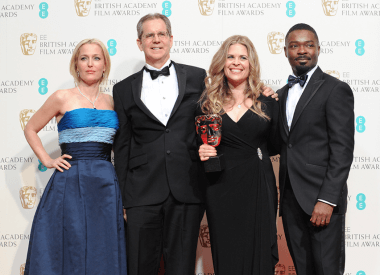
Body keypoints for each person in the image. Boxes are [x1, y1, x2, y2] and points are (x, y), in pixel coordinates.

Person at [112, 13, 207, 275]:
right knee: (140, 266)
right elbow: (122, 147)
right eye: (149, 35)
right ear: (139, 42)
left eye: (161, 34)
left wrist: (264, 92)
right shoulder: (122, 90)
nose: (156, 39)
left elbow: (217, 116)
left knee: (181, 267)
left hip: (187, 188)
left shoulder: (199, 78)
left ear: (171, 39)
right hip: (140, 192)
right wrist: (122, 197)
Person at [23, 38, 127, 275]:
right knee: (71, 245)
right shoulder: (62, 97)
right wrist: (47, 160)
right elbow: (30, 128)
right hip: (69, 181)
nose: (90, 64)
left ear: (104, 66)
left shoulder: (112, 101)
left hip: (106, 184)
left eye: (96, 58)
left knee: (103, 246)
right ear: (76, 65)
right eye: (84, 58)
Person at [198, 35, 279, 274]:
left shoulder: (268, 100)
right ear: (222, 62)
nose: (236, 62)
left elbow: (276, 144)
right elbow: (195, 143)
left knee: (259, 251)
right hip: (220, 186)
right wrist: (201, 150)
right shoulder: (206, 102)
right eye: (231, 57)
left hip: (258, 184)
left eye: (243, 57)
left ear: (251, 63)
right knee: (227, 251)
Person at [277, 23, 354, 275]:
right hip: (290, 202)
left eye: (308, 45)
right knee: (303, 270)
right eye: (294, 45)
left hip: (322, 202)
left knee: (327, 270)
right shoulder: (280, 94)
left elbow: (342, 150)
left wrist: (327, 199)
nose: (302, 50)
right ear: (285, 51)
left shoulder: (335, 89)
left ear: (318, 49)